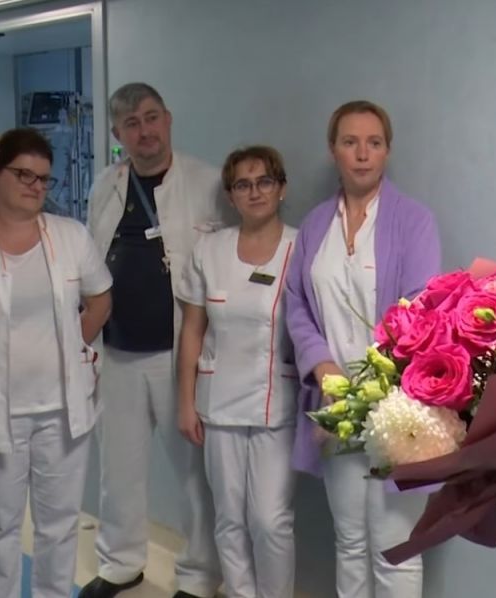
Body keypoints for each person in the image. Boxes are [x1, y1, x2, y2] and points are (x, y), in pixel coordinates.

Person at [0, 127, 112, 598]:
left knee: (59, 525)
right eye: (24, 175)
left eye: (43, 178)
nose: (36, 186)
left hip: (62, 410)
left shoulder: (70, 236)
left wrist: (73, 348)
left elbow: (100, 299)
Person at [285, 100, 441, 598]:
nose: (362, 154)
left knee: (395, 547)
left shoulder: (414, 222)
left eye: (374, 143)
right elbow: (296, 305)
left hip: (397, 408)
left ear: (387, 151)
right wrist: (323, 367)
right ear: (333, 150)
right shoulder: (314, 226)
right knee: (349, 540)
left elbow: (420, 309)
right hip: (335, 405)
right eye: (350, 142)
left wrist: (373, 386)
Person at [79, 82, 226, 598]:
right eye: (131, 123)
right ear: (117, 134)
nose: (144, 131)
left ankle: (199, 575)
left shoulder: (208, 182)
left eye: (150, 117)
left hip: (179, 355)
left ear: (167, 119)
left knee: (193, 474)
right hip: (116, 352)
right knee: (117, 471)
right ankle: (120, 563)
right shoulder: (105, 186)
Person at [175, 146, 299, 598]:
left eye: (264, 181)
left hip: (276, 402)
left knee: (270, 519)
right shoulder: (209, 250)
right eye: (243, 185)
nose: (255, 192)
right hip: (218, 401)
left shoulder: (301, 248)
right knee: (228, 516)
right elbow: (192, 330)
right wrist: (185, 402)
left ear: (281, 188)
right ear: (230, 196)